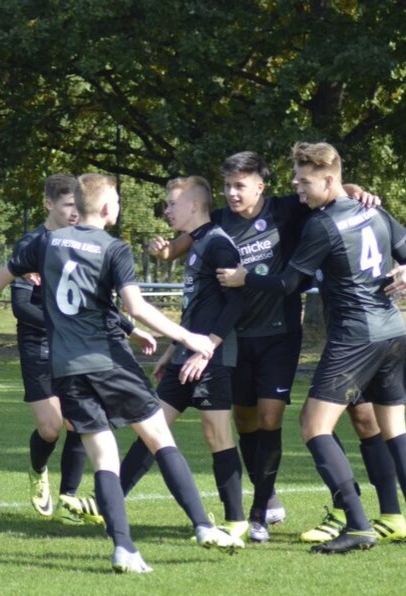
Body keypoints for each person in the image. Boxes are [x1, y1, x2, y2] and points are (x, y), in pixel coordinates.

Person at [10, 173, 243, 573]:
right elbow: (135, 306)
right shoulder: (114, 247)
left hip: (67, 370)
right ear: (106, 208)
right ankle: (204, 526)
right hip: (110, 361)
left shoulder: (46, 242)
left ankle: (124, 550)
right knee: (160, 439)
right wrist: (188, 337)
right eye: (117, 200)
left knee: (104, 457)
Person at [149, 151, 386, 543]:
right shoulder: (219, 220)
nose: (232, 193)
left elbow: (329, 189)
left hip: (279, 335)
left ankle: (259, 511)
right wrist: (163, 250)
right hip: (237, 339)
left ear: (260, 186)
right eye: (227, 185)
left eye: (240, 185)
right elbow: (182, 243)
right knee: (245, 421)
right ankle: (269, 496)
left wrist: (356, 189)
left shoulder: (286, 209)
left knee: (270, 417)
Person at [217, 141, 406, 553]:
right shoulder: (372, 210)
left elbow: (288, 283)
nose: (297, 187)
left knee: (313, 426)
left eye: (304, 181)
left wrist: (247, 278)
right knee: (392, 430)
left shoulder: (323, 224)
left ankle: (356, 523)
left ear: (329, 180)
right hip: (391, 331)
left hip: (355, 336)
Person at [119, 176, 248, 538]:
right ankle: (107, 503)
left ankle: (236, 521)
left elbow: (236, 303)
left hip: (211, 359)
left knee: (217, 435)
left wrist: (207, 350)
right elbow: (198, 308)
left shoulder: (218, 244)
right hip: (184, 357)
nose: (167, 210)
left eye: (173, 204)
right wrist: (173, 349)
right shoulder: (198, 242)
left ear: (194, 205)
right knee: (151, 429)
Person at [0, 173, 109, 525]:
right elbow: (21, 307)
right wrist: (65, 322)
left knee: (79, 421)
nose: (75, 212)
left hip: (75, 348)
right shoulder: (32, 243)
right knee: (51, 428)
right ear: (48, 204)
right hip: (38, 345)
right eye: (69, 204)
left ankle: (69, 499)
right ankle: (38, 469)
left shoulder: (83, 242)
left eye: (78, 205)